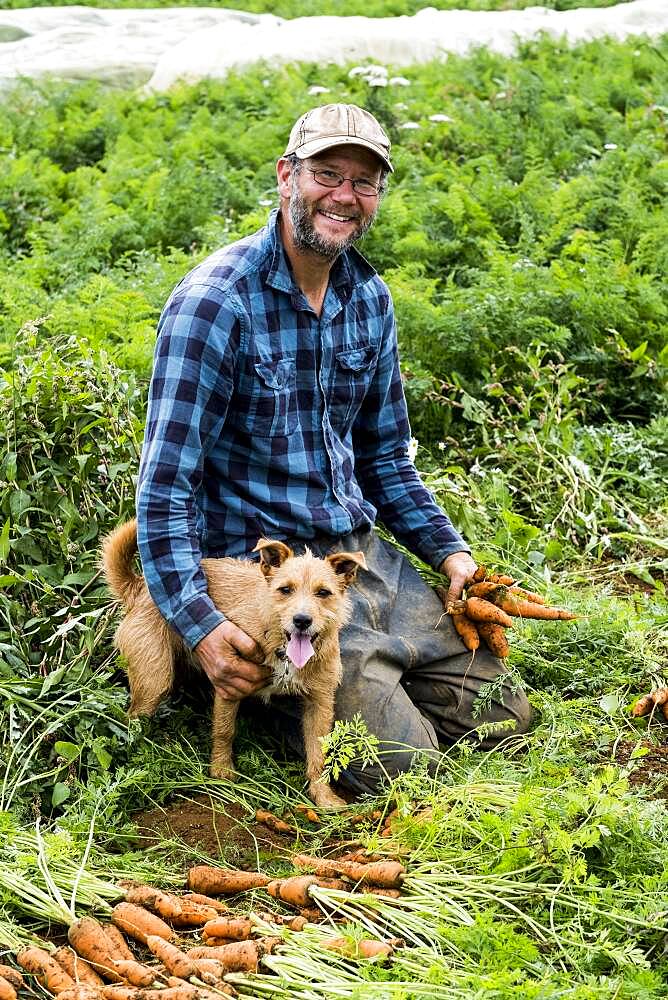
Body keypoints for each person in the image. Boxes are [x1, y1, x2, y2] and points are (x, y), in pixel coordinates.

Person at [136, 103, 532, 795]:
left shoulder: (368, 298)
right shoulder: (215, 304)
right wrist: (200, 627)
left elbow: (385, 459)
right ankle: (269, 694)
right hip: (274, 582)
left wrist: (452, 555)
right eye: (327, 173)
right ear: (287, 176)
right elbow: (164, 487)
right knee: (400, 769)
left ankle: (360, 680)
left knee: (506, 718)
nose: (345, 196)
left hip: (356, 563)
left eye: (364, 181)